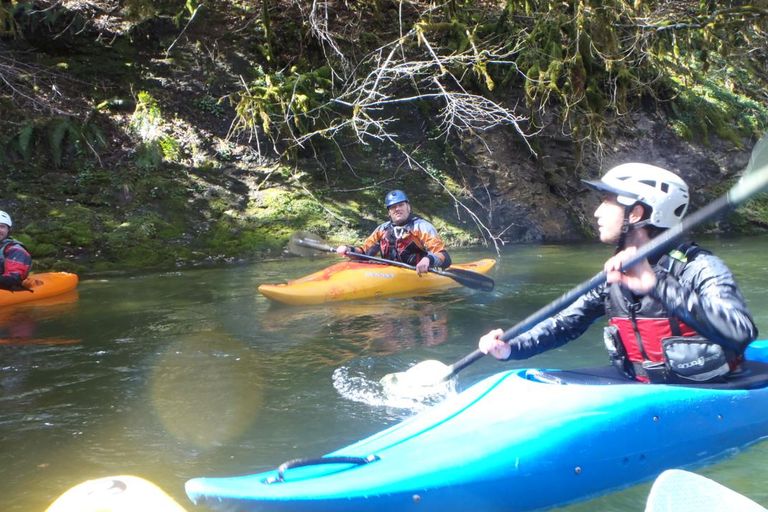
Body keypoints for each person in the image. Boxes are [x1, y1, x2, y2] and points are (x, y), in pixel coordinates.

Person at [478, 163, 758, 383]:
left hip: (708, 386)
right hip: (635, 382)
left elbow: (740, 331)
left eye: (607, 201)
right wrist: (511, 348)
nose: (597, 212)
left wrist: (657, 284)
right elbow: (566, 324)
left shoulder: (699, 266)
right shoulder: (616, 273)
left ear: (635, 213)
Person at [336, 189, 451, 275]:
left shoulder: (422, 227)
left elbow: (444, 257)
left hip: (419, 274)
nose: (397, 209)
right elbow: (363, 253)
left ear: (408, 208)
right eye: (393, 207)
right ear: (389, 213)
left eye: (401, 205)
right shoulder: (382, 230)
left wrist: (428, 259)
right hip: (390, 274)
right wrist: (349, 250)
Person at [0, 210, 32, 291]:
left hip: (8, 289)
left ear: (8, 230)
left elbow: (13, 279)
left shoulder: (16, 250)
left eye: (1, 226)